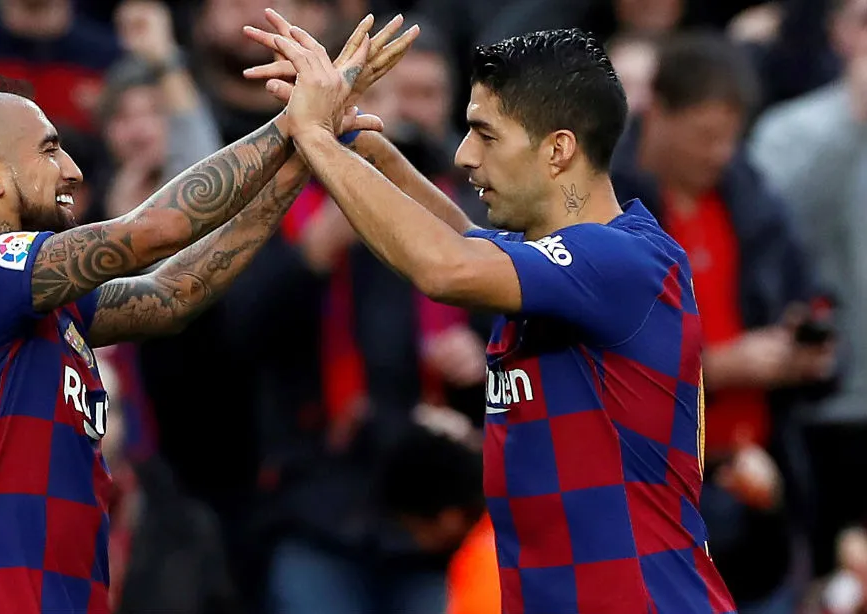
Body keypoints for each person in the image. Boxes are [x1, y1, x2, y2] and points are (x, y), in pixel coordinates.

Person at [0, 14, 417, 614]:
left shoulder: (28, 305)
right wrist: (291, 121)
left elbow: (175, 293)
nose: (74, 170)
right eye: (49, 149)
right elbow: (151, 233)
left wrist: (304, 152)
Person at [244, 19, 737, 614]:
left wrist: (314, 138)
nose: (462, 154)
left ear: (557, 149)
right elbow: (466, 238)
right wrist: (360, 144)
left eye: (485, 134)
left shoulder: (624, 259)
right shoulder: (561, 268)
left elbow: (446, 267)